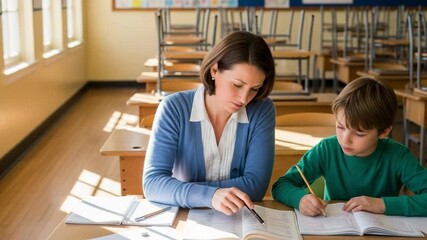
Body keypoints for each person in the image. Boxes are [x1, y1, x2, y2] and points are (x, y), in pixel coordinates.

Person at [143, 31, 276, 215]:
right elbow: (153, 184)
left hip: (238, 221)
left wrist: (181, 189)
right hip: (184, 220)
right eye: (237, 85)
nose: (245, 98)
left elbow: (256, 186)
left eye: (254, 89)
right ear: (214, 70)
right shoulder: (173, 108)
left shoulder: (262, 109)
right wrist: (210, 195)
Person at [272, 77, 427, 217]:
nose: (345, 140)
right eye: (340, 127)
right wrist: (300, 199)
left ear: (384, 132)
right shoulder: (327, 149)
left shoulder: (398, 155)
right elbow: (280, 186)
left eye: (359, 134)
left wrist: (383, 205)